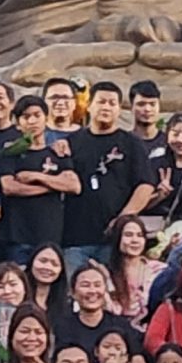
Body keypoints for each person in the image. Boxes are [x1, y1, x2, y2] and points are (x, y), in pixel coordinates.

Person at [60, 82, 141, 275]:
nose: (106, 107)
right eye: (101, 102)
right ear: (89, 105)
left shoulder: (131, 143)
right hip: (75, 239)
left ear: (119, 109)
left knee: (115, 295)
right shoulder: (72, 141)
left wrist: (123, 219)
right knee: (76, 294)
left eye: (112, 103)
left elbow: (144, 185)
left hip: (114, 241)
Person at [0, 95, 78, 267]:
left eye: (37, 115)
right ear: (17, 123)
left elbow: (74, 186)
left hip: (51, 237)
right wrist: (53, 186)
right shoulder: (10, 153)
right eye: (25, 117)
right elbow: (9, 187)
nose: (32, 121)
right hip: (19, 238)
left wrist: (37, 177)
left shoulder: (57, 153)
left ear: (46, 118)